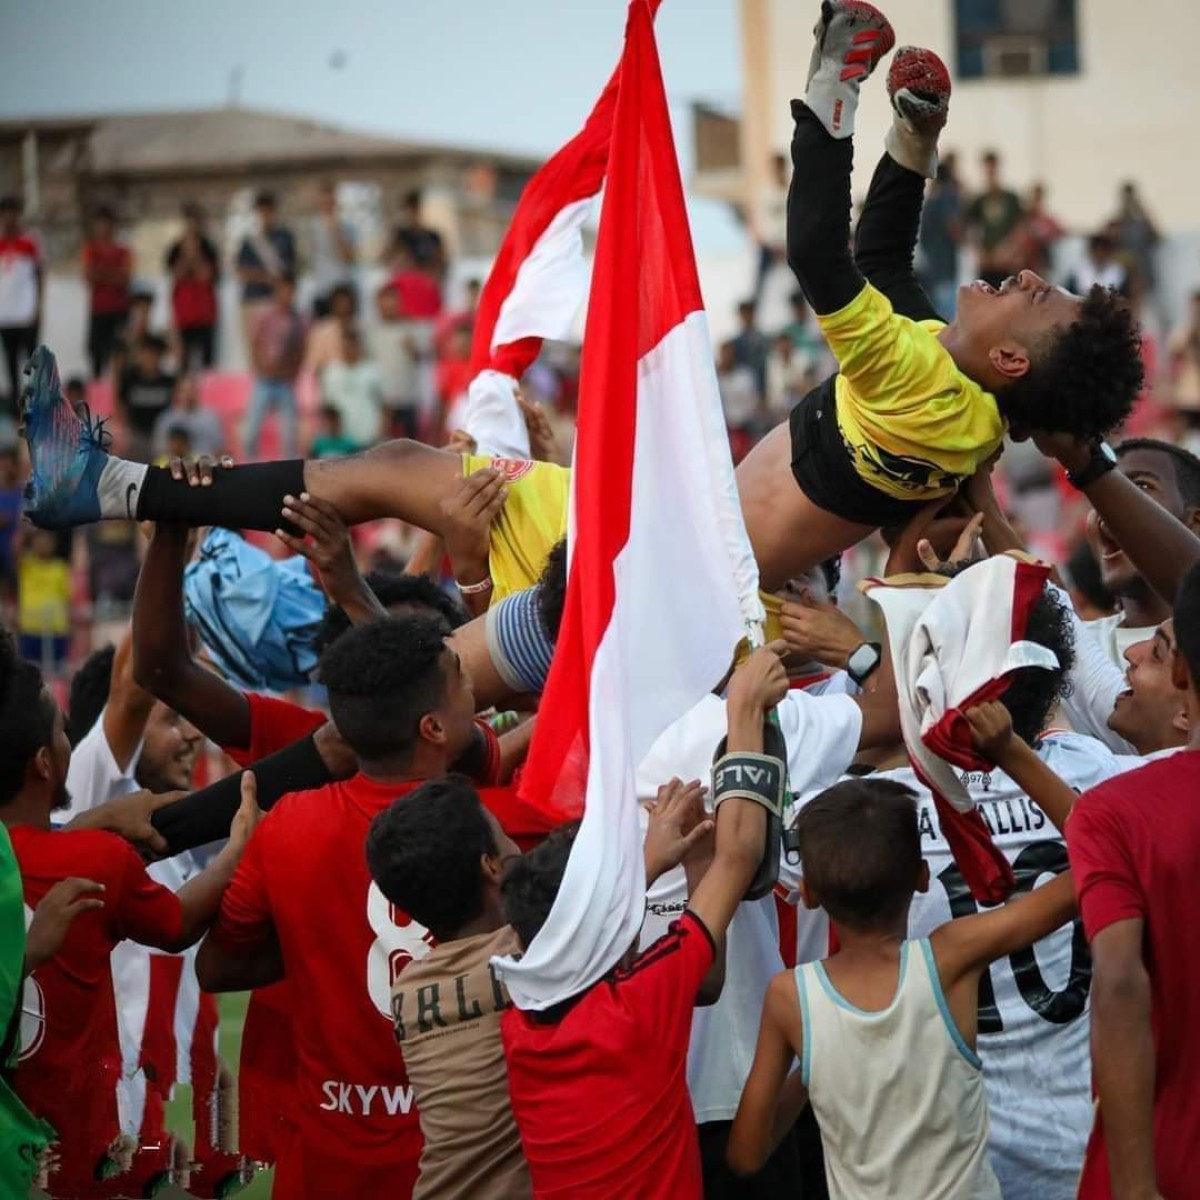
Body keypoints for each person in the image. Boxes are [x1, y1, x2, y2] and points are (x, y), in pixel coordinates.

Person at [196, 615, 483, 1198]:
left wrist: (319, 943)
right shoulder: (496, 826)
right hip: (461, 1167)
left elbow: (217, 967)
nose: (477, 694)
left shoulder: (289, 827)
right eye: (463, 684)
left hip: (324, 1167)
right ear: (432, 727)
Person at [498, 644, 789, 1198]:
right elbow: (739, 856)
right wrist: (744, 713)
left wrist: (652, 863)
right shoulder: (640, 1004)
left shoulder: (520, 1026)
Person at [728, 760, 1079, 1199]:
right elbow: (1098, 859)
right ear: (922, 876)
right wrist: (1008, 751)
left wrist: (816, 1068)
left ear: (811, 894)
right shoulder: (950, 958)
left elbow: (746, 1153)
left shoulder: (791, 999)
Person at [366, 771, 715, 1200]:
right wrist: (652, 860)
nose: (517, 846)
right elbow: (584, 931)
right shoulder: (526, 958)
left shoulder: (408, 991)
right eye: (504, 835)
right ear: (491, 867)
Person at [0, 630, 256, 1198]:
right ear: (48, 760)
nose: (192, 733)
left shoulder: (99, 837)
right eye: (174, 718)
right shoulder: (98, 829)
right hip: (93, 1135)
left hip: (99, 1128)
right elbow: (175, 924)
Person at [1066, 561, 1200, 1197]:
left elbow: (1119, 983)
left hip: (1162, 1166)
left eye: (1162, 647)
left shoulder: (1115, 812)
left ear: (1182, 677)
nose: (1137, 649)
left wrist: (1135, 1185)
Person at [1083, 438, 1200, 670]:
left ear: (1195, 523)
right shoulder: (1073, 647)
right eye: (1098, 496)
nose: (1109, 506)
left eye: (1141, 487)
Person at [244, 272, 305, 458]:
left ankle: (288, 475)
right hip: (264, 380)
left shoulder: (298, 320)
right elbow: (255, 343)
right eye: (283, 290)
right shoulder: (264, 316)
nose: (286, 295)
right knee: (251, 430)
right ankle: (248, 468)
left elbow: (299, 350)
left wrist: (292, 374)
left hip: (285, 382)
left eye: (290, 291)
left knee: (289, 434)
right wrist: (259, 367)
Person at [236, 190, 297, 344]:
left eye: (268, 210)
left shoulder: (284, 237)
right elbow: (241, 271)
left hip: (276, 301)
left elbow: (290, 267)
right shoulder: (249, 240)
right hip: (253, 299)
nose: (265, 214)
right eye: (261, 210)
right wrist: (264, 277)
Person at [165, 203, 220, 372]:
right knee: (183, 363)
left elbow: (206, 276)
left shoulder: (208, 247)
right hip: (183, 315)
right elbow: (176, 275)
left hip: (205, 313)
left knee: (207, 363)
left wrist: (195, 254)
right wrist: (185, 253)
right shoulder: (175, 248)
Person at [0, 195, 41, 416]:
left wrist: (38, 307)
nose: (9, 217)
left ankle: (34, 401)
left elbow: (38, 275)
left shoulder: (29, 242)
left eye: (12, 212)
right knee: (10, 362)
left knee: (31, 363)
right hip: (5, 316)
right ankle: (16, 410)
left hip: (25, 314)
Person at [82, 206, 132, 380]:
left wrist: (101, 274)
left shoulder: (122, 251)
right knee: (97, 357)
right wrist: (112, 274)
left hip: (119, 309)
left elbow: (124, 278)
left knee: (121, 356)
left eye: (107, 223)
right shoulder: (91, 250)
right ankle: (97, 396)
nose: (104, 228)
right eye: (100, 224)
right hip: (99, 310)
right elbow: (89, 276)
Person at [16, 527, 71, 676]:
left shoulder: (61, 568)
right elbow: (15, 547)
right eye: (39, 539)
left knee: (58, 676)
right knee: (29, 676)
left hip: (56, 631)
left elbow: (70, 598)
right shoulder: (26, 566)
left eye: (47, 539)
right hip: (30, 630)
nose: (43, 543)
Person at [966, 150, 1023, 290]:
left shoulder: (1011, 198)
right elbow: (971, 227)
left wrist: (1009, 248)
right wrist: (978, 251)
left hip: (1005, 259)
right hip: (986, 260)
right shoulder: (979, 199)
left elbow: (1020, 227)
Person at [320, 327, 384, 449]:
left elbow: (384, 404)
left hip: (367, 437)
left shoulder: (372, 371)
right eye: (345, 346)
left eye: (351, 345)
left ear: (358, 345)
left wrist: (379, 432)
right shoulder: (332, 371)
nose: (348, 349)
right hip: (342, 442)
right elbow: (328, 406)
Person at [117, 333, 175, 462]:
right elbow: (120, 405)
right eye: (146, 354)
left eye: (154, 355)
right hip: (136, 433)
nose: (150, 359)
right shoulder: (130, 379)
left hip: (162, 434)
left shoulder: (168, 381)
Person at [916, 160, 963, 317]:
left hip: (931, 265)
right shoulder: (948, 197)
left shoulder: (930, 201)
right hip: (945, 264)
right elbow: (954, 227)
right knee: (948, 313)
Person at [307, 179, 356, 316]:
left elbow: (349, 257)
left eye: (330, 200)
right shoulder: (313, 226)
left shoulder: (346, 225)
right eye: (324, 200)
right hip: (322, 288)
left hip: (342, 286)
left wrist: (336, 231)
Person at [151, 373, 225, 460]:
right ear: (176, 392)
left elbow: (219, 448)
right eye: (183, 390)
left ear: (197, 391)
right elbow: (159, 449)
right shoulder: (166, 419)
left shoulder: (210, 418)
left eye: (191, 390)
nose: (188, 394)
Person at [394, 189, 446, 280]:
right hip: (409, 282)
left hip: (428, 282)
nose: (412, 214)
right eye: (409, 210)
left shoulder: (432, 236)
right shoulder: (401, 237)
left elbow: (441, 261)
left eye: (415, 209)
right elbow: (394, 260)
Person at [730, 298, 771, 404]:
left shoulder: (763, 339)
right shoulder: (736, 343)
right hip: (744, 389)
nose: (747, 317)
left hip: (763, 384)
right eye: (744, 314)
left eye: (749, 313)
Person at [1065, 232, 1129, 298]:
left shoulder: (1118, 272)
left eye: (1104, 252)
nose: (1100, 255)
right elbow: (1069, 293)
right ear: (1092, 251)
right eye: (1097, 251)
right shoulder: (1077, 270)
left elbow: (1124, 295)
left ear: (1110, 252)